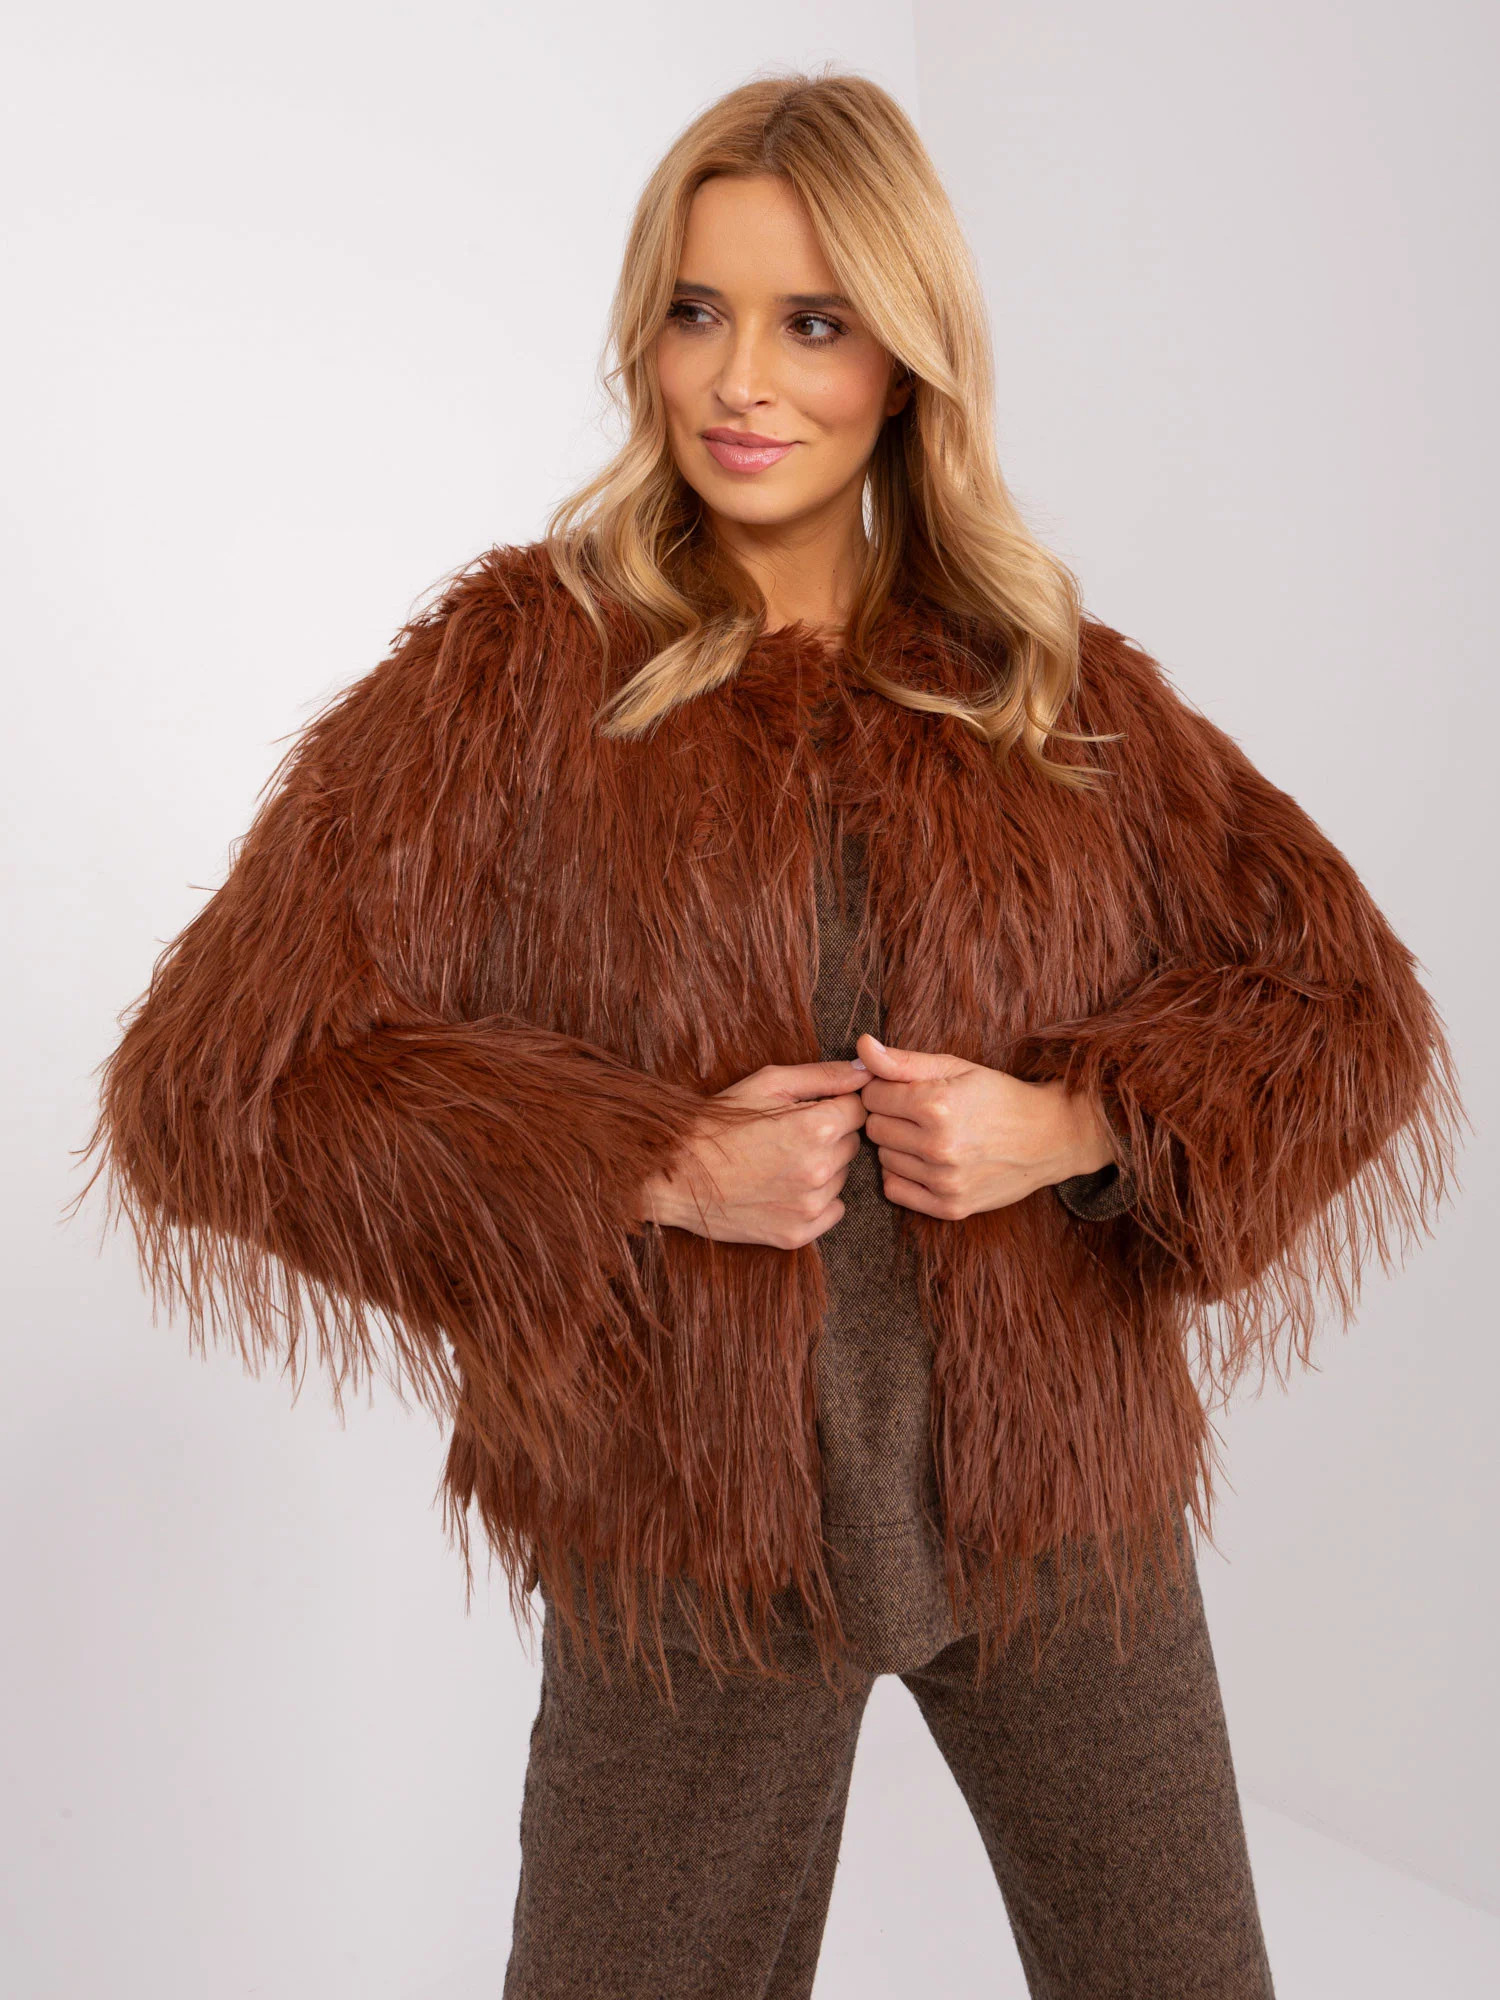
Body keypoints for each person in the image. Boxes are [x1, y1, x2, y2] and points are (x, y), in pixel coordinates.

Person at [77, 68, 1465, 2000]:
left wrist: (1073, 1128)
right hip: (688, 1529)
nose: (741, 381)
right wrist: (648, 1160)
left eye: (813, 322)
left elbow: (1349, 1008)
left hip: (1057, 1505)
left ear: (904, 363)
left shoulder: (1047, 685)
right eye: (697, 310)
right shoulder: (515, 677)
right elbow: (213, 1085)